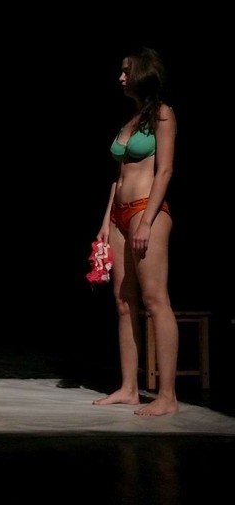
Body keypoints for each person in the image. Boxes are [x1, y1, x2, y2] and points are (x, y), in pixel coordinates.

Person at [92, 47, 179, 416]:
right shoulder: (130, 120)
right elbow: (119, 176)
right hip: (119, 215)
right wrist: (105, 221)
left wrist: (146, 221)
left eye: (127, 71)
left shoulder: (163, 114)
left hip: (147, 210)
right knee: (123, 302)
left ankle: (167, 396)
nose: (121, 77)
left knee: (155, 299)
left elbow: (164, 171)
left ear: (143, 72)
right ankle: (129, 388)